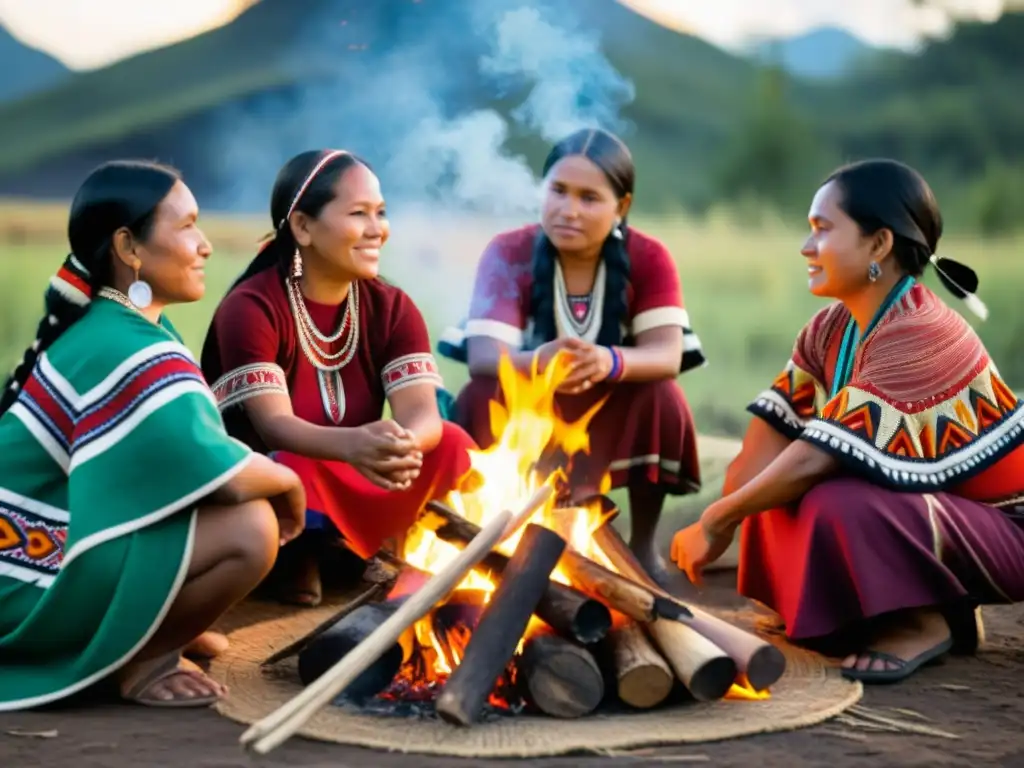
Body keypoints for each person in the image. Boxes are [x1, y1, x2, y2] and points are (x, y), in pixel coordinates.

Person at [670, 158, 1024, 684]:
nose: (805, 247)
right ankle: (909, 606)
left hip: (1007, 530)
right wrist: (726, 511)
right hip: (939, 514)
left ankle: (921, 620)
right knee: (767, 489)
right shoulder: (830, 327)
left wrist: (718, 519)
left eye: (822, 229)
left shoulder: (921, 331)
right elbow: (773, 435)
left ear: (879, 245)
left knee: (837, 500)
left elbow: (818, 456)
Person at [0, 160, 306, 711]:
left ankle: (150, 630)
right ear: (129, 247)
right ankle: (143, 660)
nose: (205, 244)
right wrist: (288, 480)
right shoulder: (128, 346)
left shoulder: (113, 324)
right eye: (187, 225)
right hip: (21, 587)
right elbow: (223, 478)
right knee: (250, 528)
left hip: (24, 559)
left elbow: (170, 467)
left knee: (216, 511)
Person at [200, 149, 477, 607]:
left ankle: (369, 551)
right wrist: (355, 445)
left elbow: (422, 413)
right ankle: (305, 558)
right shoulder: (252, 307)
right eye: (358, 214)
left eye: (381, 213)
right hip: (286, 480)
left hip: (362, 466)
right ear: (303, 227)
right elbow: (273, 426)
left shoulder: (392, 306)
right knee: (289, 461)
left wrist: (402, 445)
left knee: (452, 443)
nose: (377, 230)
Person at [439, 128, 706, 584]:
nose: (569, 210)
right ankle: (492, 531)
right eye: (558, 191)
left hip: (608, 402)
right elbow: (486, 356)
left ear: (621, 207)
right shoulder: (510, 250)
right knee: (482, 391)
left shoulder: (648, 256)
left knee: (662, 395)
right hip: (529, 403)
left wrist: (609, 362)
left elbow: (665, 354)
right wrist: (541, 362)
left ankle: (642, 543)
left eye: (589, 198)